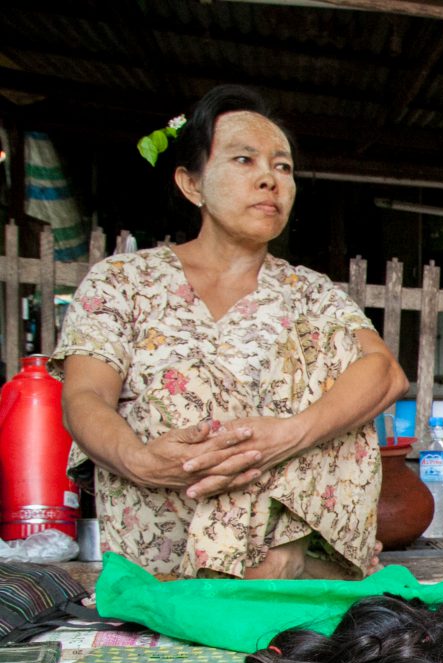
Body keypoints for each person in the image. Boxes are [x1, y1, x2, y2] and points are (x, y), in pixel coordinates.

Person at [52, 86, 408, 579]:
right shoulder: (123, 281)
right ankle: (223, 577)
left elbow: (387, 375)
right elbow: (85, 394)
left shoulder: (309, 291)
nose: (269, 179)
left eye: (282, 167)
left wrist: (287, 435)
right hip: (164, 540)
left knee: (350, 372)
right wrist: (140, 460)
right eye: (245, 160)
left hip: (280, 532)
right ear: (191, 184)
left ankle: (290, 556)